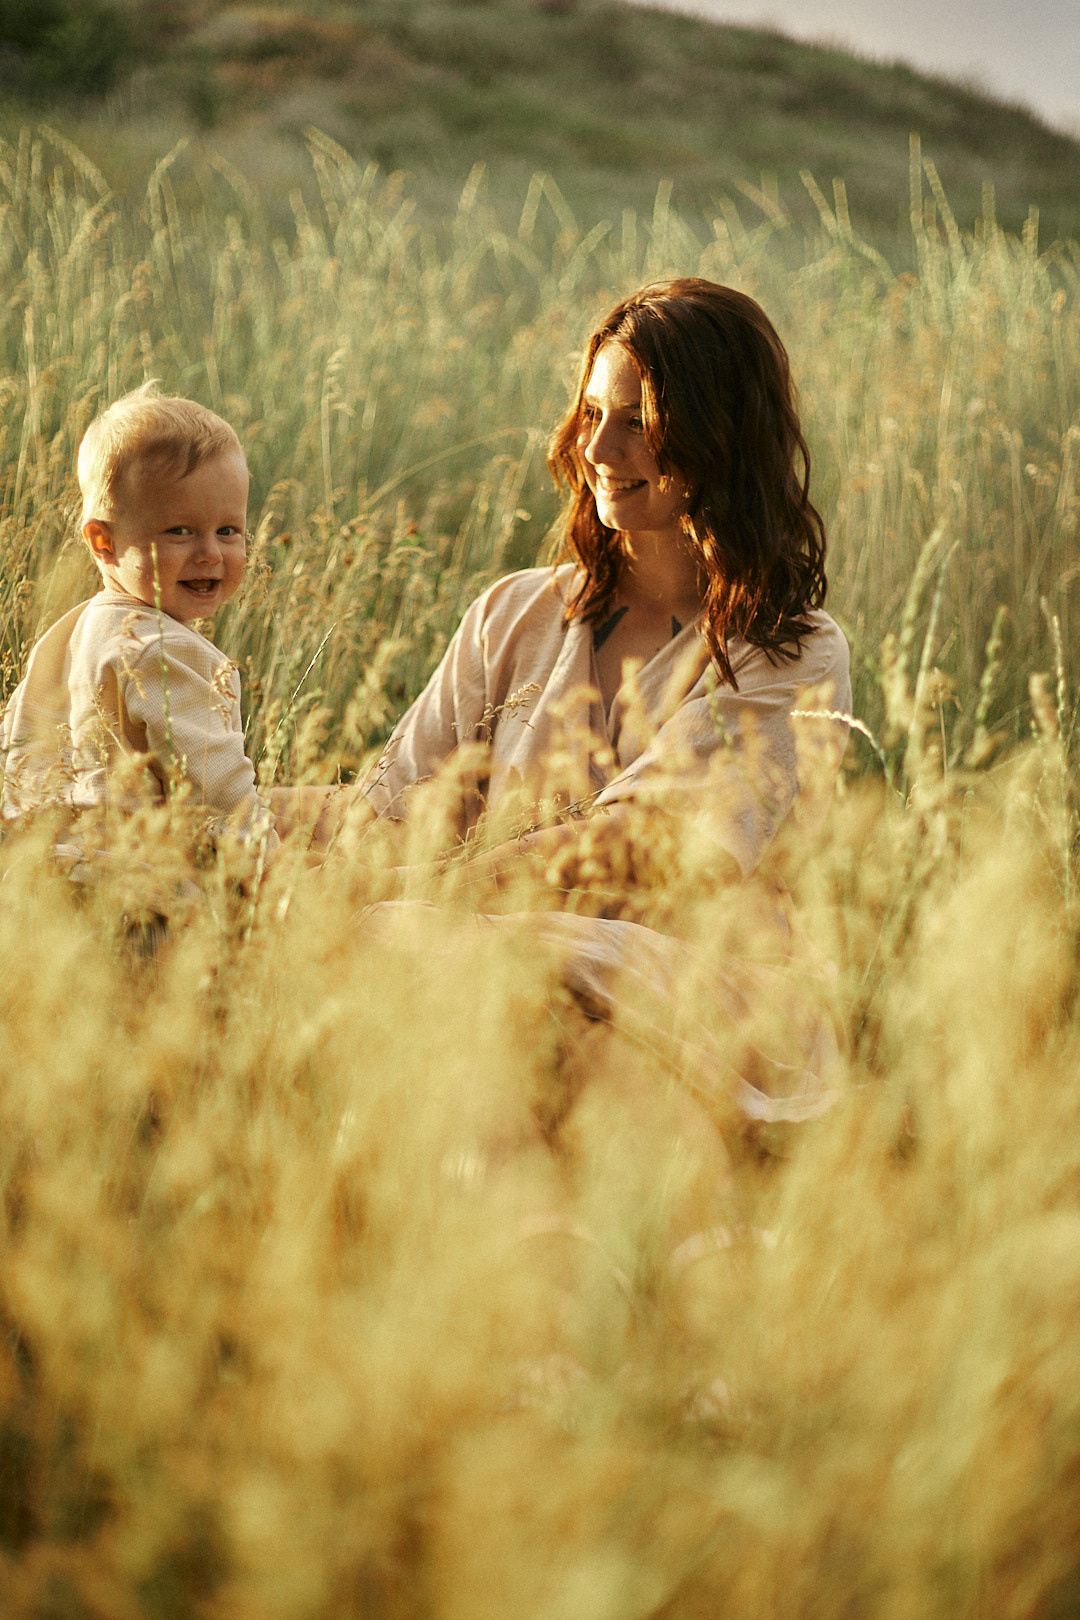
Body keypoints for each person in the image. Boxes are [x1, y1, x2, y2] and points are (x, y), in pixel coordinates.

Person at [318, 278, 852, 1127]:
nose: (599, 447)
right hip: (491, 956)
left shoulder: (785, 647)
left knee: (483, 981)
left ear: (720, 436)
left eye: (637, 422)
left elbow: (657, 853)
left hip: (706, 997)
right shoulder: (515, 612)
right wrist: (217, 821)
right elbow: (392, 809)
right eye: (593, 413)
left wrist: (435, 893)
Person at [0, 383, 277, 859]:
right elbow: (224, 803)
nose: (210, 553)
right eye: (180, 531)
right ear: (103, 542)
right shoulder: (165, 650)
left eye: (227, 530)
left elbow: (18, 755)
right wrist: (292, 882)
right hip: (155, 902)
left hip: (59, 886)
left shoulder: (71, 632)